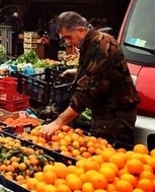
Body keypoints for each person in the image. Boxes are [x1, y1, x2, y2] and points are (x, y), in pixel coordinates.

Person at [41, 11, 140, 145]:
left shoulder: (101, 46)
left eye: (68, 37)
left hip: (115, 115)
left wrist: (58, 122)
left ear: (80, 30)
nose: (67, 42)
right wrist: (78, 71)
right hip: (104, 111)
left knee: (112, 157)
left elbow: (86, 93)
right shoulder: (91, 43)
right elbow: (101, 71)